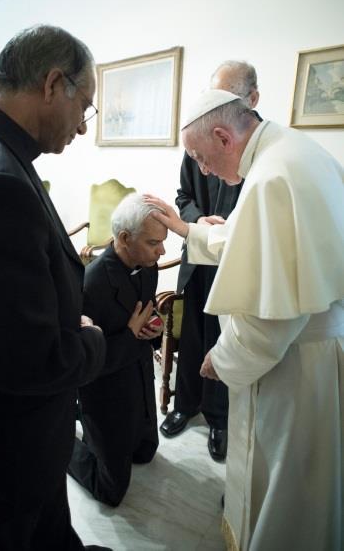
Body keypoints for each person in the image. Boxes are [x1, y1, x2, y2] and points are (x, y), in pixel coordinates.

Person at [145, 88, 344, 551]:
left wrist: (225, 358)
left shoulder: (271, 177)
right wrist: (188, 229)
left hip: (298, 363)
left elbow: (272, 317)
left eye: (200, 157)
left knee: (290, 489)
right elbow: (251, 241)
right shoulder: (292, 153)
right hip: (318, 352)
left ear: (222, 136)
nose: (203, 170)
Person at [0, 25, 112, 551]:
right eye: (84, 106)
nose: (83, 127)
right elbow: (26, 360)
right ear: (53, 83)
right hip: (4, 444)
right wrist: (90, 338)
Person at [160, 61, 260, 463]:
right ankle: (184, 404)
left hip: (235, 266)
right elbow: (183, 194)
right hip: (197, 259)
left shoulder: (260, 152)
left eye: (228, 98)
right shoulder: (201, 137)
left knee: (224, 338)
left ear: (252, 99)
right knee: (193, 335)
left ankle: (219, 419)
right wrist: (195, 220)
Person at [68, 193, 165, 507]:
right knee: (111, 492)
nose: (162, 251)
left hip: (138, 377)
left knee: (146, 453)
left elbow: (146, 317)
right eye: (154, 243)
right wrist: (129, 334)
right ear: (124, 238)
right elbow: (84, 362)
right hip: (104, 388)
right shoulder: (90, 284)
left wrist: (154, 330)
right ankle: (64, 440)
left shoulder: (149, 267)